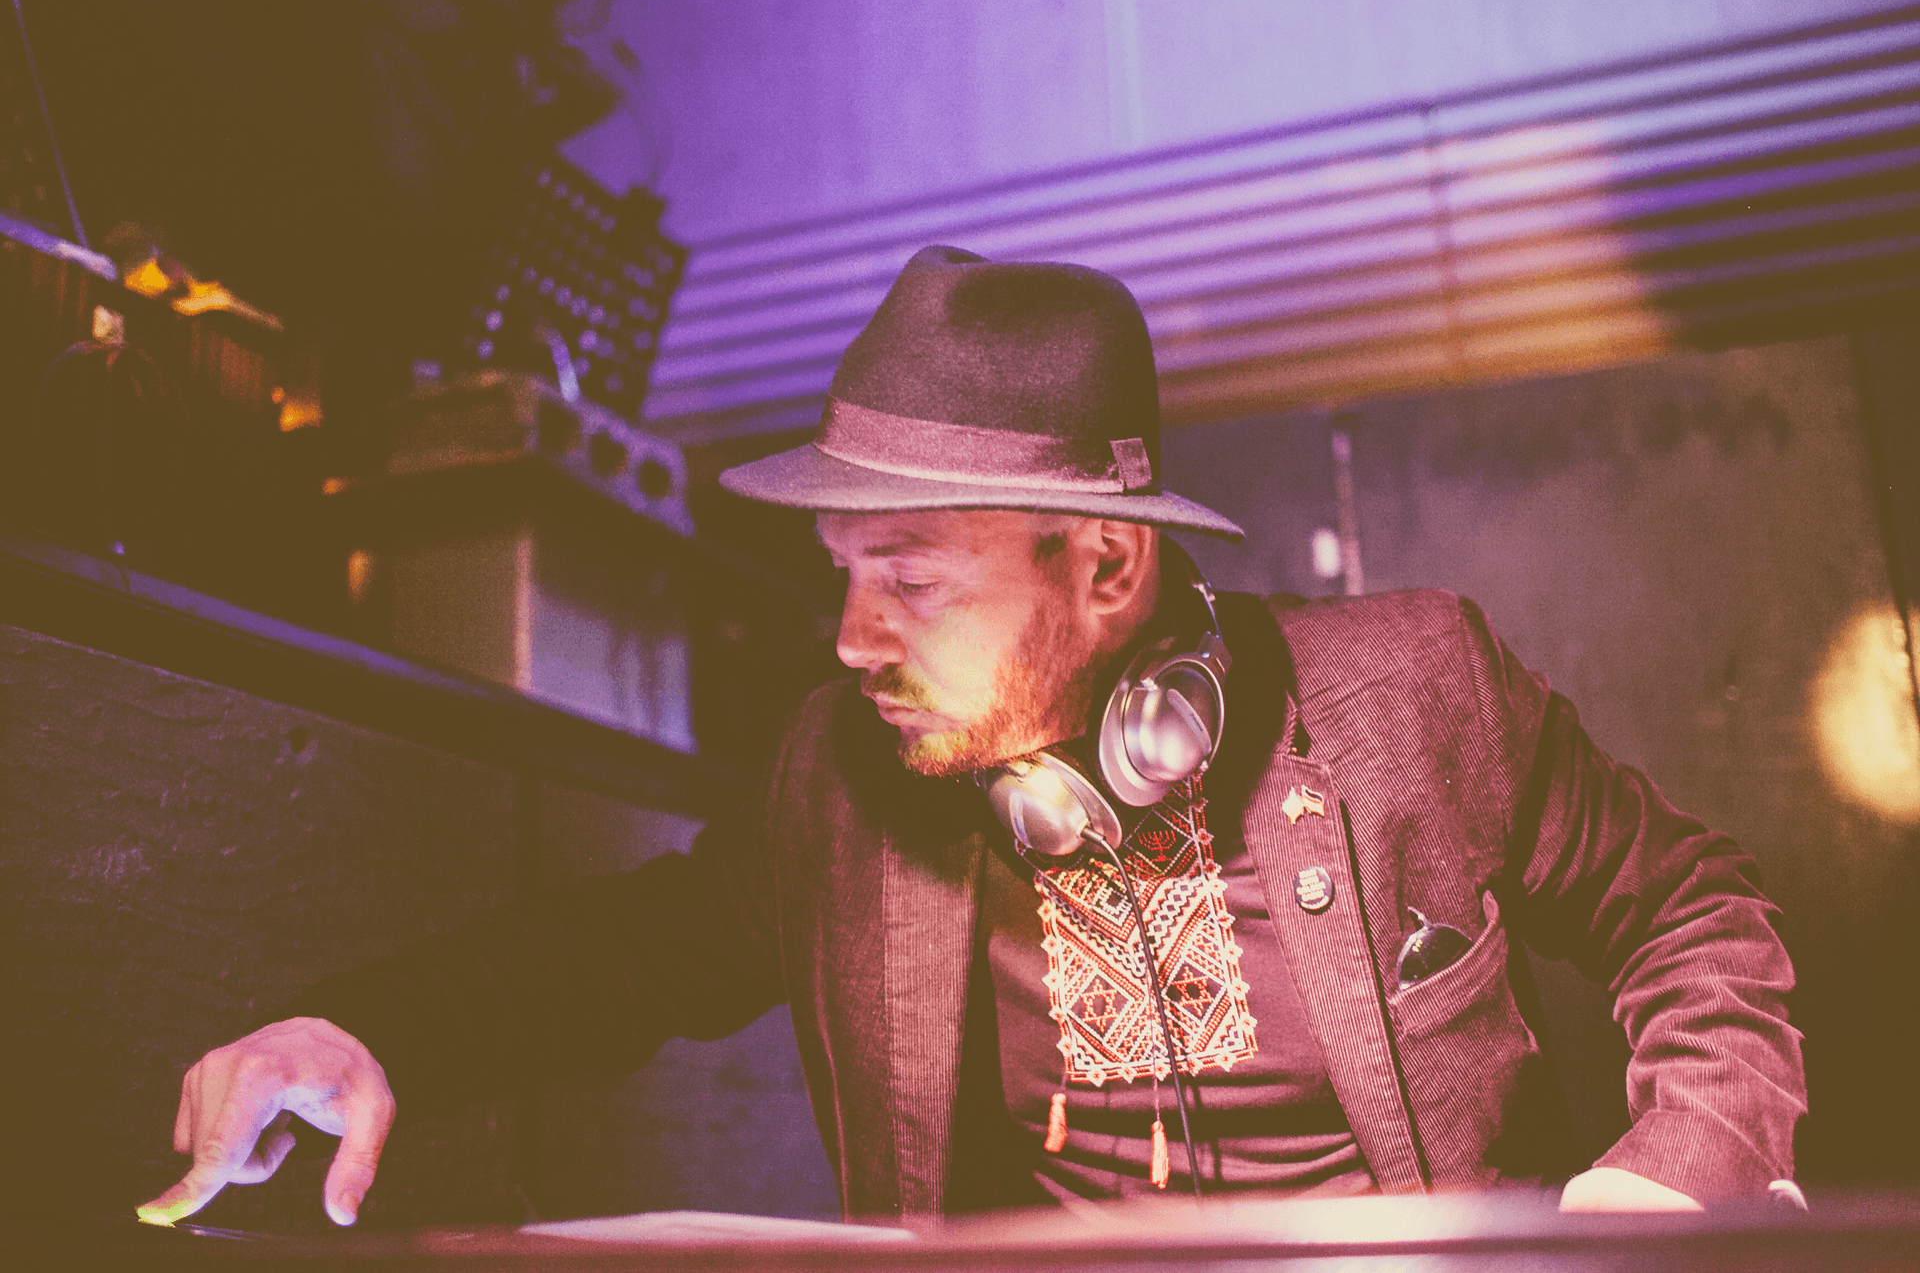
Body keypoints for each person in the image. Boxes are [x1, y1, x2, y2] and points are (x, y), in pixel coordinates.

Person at [139, 246, 1805, 1228]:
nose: (851, 638)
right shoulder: (844, 779)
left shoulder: (1417, 691)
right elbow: (619, 952)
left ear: (1106, 566)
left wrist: (1680, 1163)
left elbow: (1694, 908)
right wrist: (365, 1033)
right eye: (843, 572)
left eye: (913, 580)